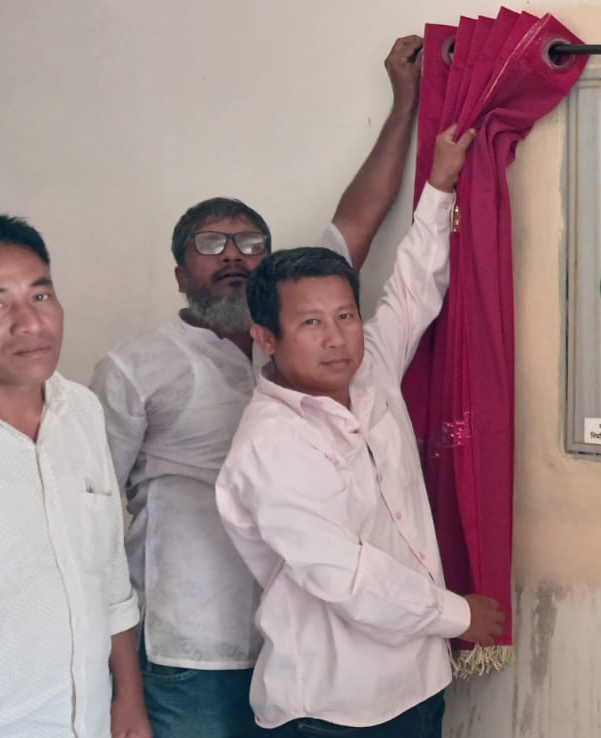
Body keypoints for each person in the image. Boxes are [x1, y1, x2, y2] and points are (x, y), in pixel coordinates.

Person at [88, 34, 433, 737]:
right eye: (209, 244)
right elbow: (89, 520)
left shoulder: (302, 330)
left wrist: (405, 103)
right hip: (195, 649)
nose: (234, 256)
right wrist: (123, 684)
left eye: (250, 243)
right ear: (179, 273)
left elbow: (359, 219)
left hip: (308, 641)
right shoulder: (135, 368)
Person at [214, 125, 502, 737]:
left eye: (345, 315)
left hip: (418, 683)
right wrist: (459, 616)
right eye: (311, 323)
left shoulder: (369, 369)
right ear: (266, 337)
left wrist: (439, 184)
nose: (337, 337)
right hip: (333, 710)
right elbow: (348, 578)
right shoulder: (271, 445)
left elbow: (413, 291)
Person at [0, 212, 148, 736]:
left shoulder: (81, 410)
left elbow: (109, 575)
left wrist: (128, 701)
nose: (30, 323)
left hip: (90, 721)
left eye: (40, 295)